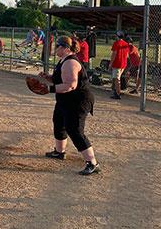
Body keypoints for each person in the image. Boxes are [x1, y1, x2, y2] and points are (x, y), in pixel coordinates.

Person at [42, 36, 99, 176]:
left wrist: (49, 89)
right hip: (65, 100)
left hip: (78, 100)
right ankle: (59, 152)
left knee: (74, 130)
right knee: (59, 122)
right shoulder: (63, 61)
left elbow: (70, 85)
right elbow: (60, 79)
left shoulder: (70, 62)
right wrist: (48, 78)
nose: (56, 48)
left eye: (58, 46)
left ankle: (92, 163)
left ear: (66, 48)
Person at [109, 32, 131, 100]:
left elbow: (114, 54)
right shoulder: (126, 44)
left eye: (116, 36)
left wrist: (110, 63)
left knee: (117, 79)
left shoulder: (116, 43)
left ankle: (118, 94)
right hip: (123, 64)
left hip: (117, 64)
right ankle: (116, 91)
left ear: (118, 36)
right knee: (117, 78)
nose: (115, 37)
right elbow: (127, 55)